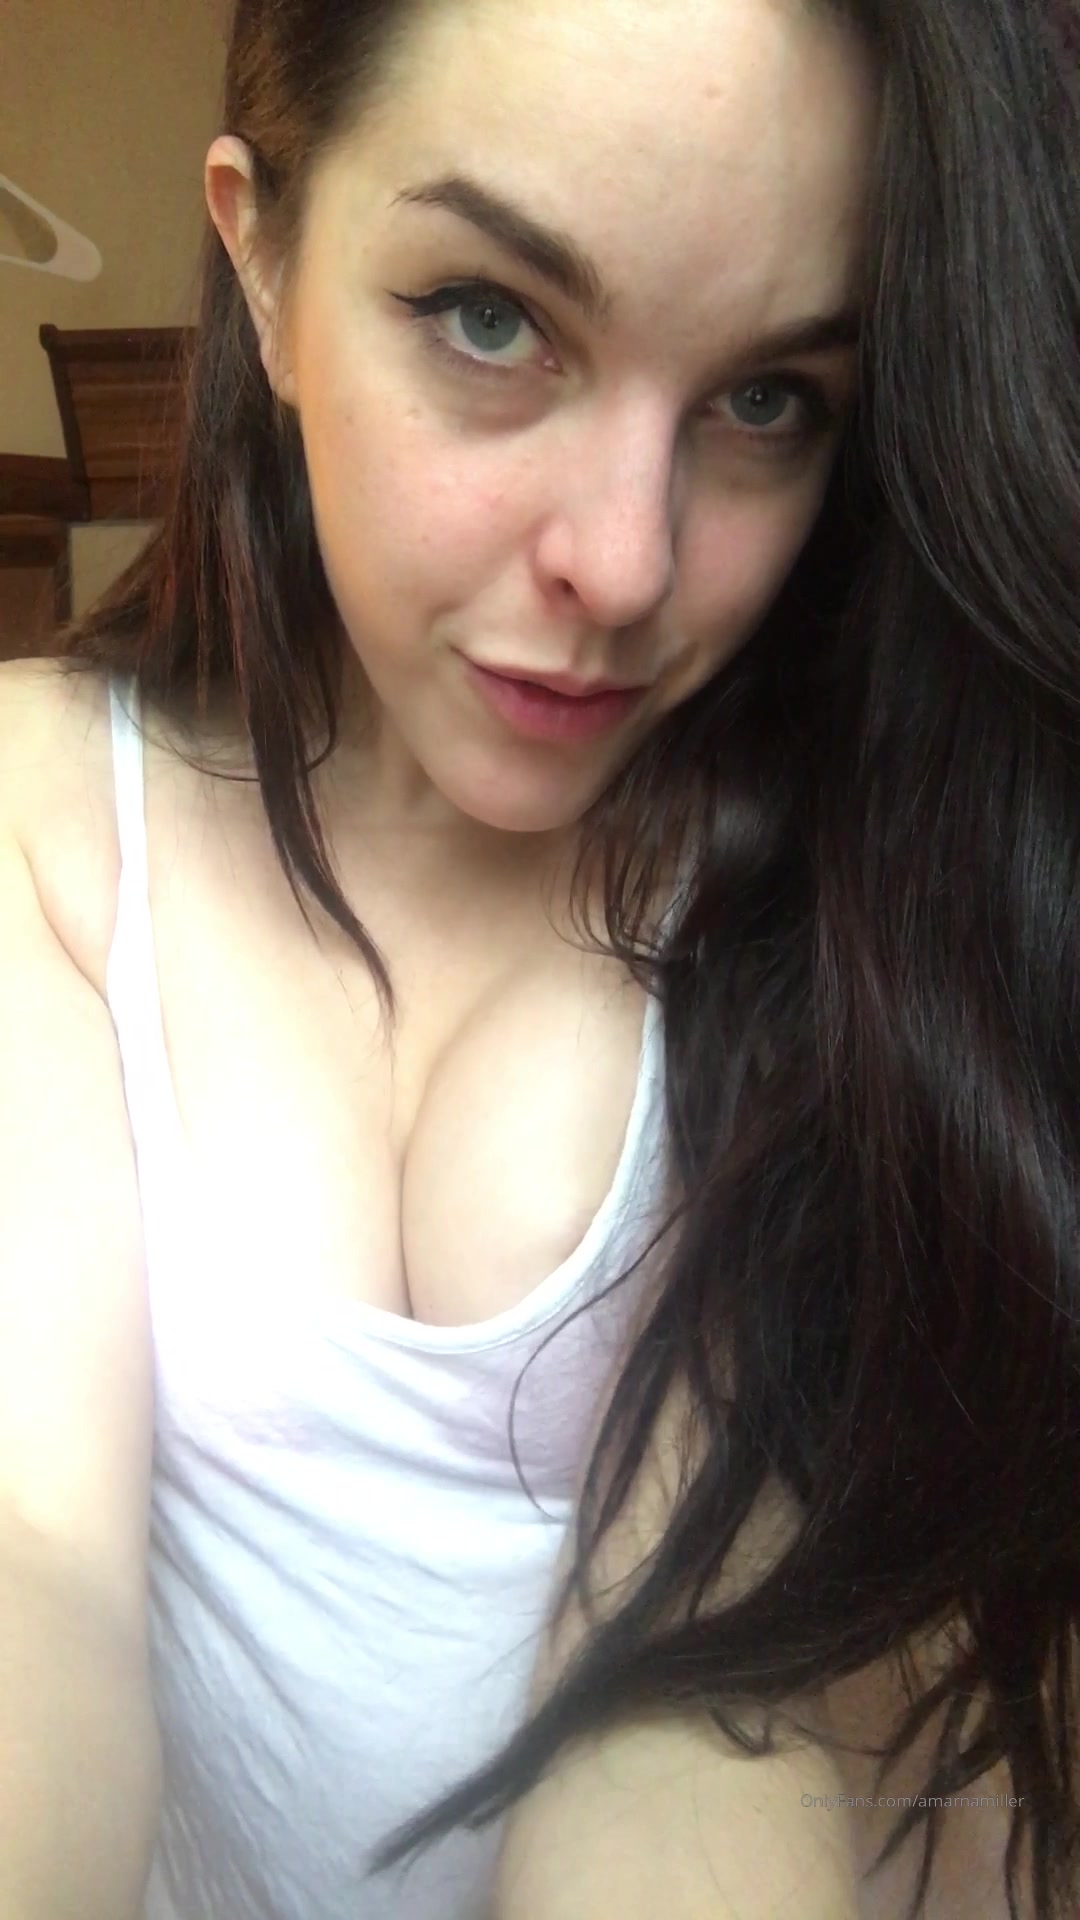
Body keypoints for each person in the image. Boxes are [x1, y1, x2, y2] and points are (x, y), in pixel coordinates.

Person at [0, 0, 1075, 1915]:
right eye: (491, 318)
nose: (628, 563)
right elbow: (31, 1557)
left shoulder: (850, 913)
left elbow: (700, 1698)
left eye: (769, 400)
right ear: (262, 257)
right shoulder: (51, 823)